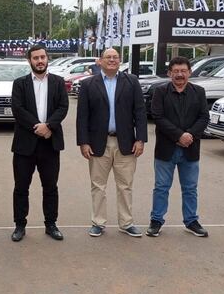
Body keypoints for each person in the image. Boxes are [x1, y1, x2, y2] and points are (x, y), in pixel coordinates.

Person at [76, 48, 148, 238]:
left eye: (115, 57)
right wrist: (83, 142)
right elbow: (82, 117)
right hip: (98, 143)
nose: (112, 60)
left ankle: (126, 223)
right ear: (100, 61)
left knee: (125, 185)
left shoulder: (131, 82)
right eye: (108, 57)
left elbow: (140, 112)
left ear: (119, 61)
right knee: (98, 185)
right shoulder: (88, 84)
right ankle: (98, 223)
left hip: (126, 143)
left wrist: (140, 139)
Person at [10, 44, 69, 242]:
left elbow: (63, 107)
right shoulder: (20, 83)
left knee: (50, 187)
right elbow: (17, 109)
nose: (40, 61)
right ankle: (20, 225)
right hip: (25, 144)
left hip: (50, 143)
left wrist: (49, 126)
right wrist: (38, 126)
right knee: (21, 187)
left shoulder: (59, 82)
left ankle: (51, 224)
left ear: (47, 59)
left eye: (42, 57)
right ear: (29, 61)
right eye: (35, 58)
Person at [147, 56, 210, 237]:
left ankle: (191, 221)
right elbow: (158, 117)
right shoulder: (160, 92)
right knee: (161, 187)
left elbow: (203, 117)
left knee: (190, 188)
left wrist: (189, 135)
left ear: (189, 72)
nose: (180, 75)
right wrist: (179, 135)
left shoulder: (199, 91)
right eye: (176, 71)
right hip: (166, 149)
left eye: (183, 71)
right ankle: (156, 220)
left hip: (190, 148)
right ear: (169, 73)